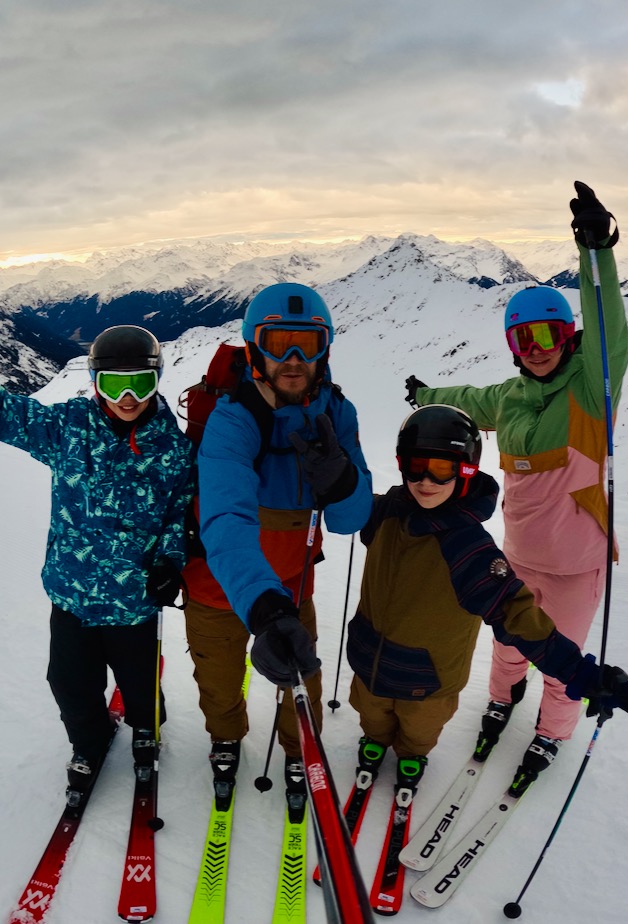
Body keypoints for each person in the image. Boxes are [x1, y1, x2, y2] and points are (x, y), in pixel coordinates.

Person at [0, 325, 195, 807]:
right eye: (112, 384)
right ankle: (90, 740)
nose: (125, 397)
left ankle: (146, 730)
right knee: (69, 683)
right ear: (94, 382)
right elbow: (8, 413)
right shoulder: (69, 429)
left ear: (155, 381)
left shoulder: (174, 450)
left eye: (138, 384)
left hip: (133, 600)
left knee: (140, 683)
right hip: (72, 593)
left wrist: (169, 561)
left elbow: (180, 514)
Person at [405, 181, 628, 779]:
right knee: (507, 646)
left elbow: (610, 330)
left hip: (579, 561)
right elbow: (470, 399)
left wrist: (596, 253)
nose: (536, 350)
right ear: (511, 346)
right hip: (519, 555)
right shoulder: (510, 398)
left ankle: (553, 732)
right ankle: (503, 701)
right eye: (522, 339)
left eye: (547, 336)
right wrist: (426, 396)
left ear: (567, 338)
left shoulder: (589, 390)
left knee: (565, 663)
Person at [347, 404, 628, 795]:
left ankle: (412, 754)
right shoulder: (386, 512)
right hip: (369, 661)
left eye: (442, 468)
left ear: (466, 469)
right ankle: (374, 741)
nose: (425, 480)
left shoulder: (466, 545)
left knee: (420, 729)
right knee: (371, 714)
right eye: (416, 465)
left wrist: (582, 675)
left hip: (428, 680)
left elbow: (517, 614)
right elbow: (343, 504)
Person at [181, 282, 373, 802]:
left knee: (302, 682)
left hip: (292, 584)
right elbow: (225, 519)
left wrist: (343, 482)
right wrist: (265, 609)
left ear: (324, 349)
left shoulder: (336, 414)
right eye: (277, 343)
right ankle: (226, 738)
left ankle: (297, 750)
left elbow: (352, 522)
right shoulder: (232, 419)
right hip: (218, 587)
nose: (292, 359)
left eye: (306, 345)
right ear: (253, 349)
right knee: (219, 684)